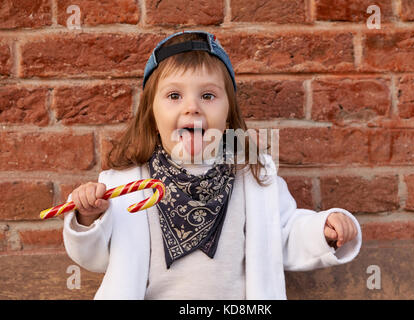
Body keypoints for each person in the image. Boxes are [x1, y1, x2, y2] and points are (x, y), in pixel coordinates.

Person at [63, 30, 362, 300]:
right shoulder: (125, 184)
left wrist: (322, 230)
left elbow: (284, 232)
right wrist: (88, 220)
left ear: (228, 115)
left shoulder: (253, 177)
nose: (192, 107)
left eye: (207, 95)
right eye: (174, 95)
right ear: (152, 118)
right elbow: (95, 258)